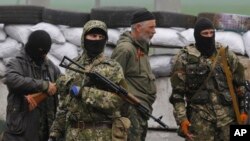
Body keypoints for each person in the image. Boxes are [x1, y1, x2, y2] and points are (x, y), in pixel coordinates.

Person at [49, 20, 130, 141]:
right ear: (84, 38)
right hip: (74, 134)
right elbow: (65, 103)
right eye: (93, 36)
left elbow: (116, 101)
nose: (97, 39)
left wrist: (84, 93)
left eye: (101, 36)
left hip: (101, 134)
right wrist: (55, 131)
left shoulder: (113, 67)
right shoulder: (73, 66)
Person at [169, 17, 249, 141]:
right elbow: (177, 95)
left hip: (229, 120)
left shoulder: (225, 54)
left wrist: (244, 111)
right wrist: (182, 120)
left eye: (211, 32)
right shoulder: (184, 58)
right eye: (205, 33)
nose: (209, 36)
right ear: (197, 35)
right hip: (201, 121)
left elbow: (241, 85)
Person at [2, 30, 61, 141]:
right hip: (21, 131)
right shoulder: (17, 62)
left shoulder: (49, 65)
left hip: (46, 130)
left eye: (45, 52)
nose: (44, 55)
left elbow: (61, 80)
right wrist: (44, 85)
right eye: (41, 52)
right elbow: (11, 79)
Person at [111, 9, 157, 141]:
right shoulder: (125, 49)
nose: (154, 31)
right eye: (151, 27)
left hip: (141, 110)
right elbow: (113, 82)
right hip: (129, 111)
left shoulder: (140, 47)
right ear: (138, 27)